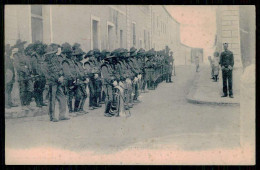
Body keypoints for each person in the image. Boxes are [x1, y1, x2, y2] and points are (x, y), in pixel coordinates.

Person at [44, 45, 70, 122]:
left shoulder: (56, 61)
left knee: (62, 98)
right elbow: (47, 75)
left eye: (54, 53)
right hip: (51, 83)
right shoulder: (45, 64)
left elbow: (60, 69)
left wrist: (61, 76)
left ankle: (62, 115)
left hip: (58, 83)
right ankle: (52, 117)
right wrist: (57, 78)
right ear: (48, 55)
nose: (54, 55)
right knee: (52, 100)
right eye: (52, 54)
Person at [13, 40, 34, 110]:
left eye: (23, 45)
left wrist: (30, 69)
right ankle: (23, 105)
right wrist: (24, 70)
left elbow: (28, 63)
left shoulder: (25, 54)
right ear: (18, 47)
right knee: (23, 90)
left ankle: (28, 103)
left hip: (28, 74)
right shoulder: (16, 55)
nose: (22, 47)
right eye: (21, 46)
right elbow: (17, 65)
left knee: (30, 89)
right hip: (21, 75)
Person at [29, 41, 48, 107]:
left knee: (42, 89)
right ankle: (38, 102)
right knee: (37, 89)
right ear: (36, 48)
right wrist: (36, 74)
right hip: (37, 75)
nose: (40, 49)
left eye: (40, 47)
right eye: (38, 47)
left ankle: (41, 101)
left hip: (43, 75)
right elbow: (34, 66)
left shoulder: (42, 56)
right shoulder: (34, 56)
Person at [72, 44, 88, 114]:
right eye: (81, 55)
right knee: (78, 96)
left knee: (84, 95)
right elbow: (78, 73)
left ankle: (81, 109)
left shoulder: (80, 64)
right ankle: (76, 110)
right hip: (78, 81)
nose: (82, 57)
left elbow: (83, 72)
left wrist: (85, 76)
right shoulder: (75, 64)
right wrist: (84, 78)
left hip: (82, 81)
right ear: (77, 56)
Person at [5, 44, 18, 108]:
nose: (10, 52)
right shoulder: (5, 58)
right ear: (6, 51)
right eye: (9, 51)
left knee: (10, 90)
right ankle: (6, 104)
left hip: (11, 75)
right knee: (7, 90)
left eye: (10, 51)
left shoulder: (9, 58)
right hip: (7, 76)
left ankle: (9, 102)